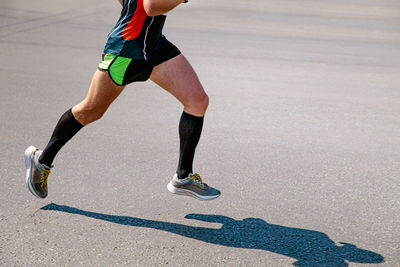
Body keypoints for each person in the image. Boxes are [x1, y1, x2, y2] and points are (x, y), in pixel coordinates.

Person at [24, 0, 221, 201]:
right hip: (127, 50)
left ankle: (183, 176)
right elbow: (152, 7)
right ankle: (42, 160)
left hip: (154, 46)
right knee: (90, 111)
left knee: (197, 100)